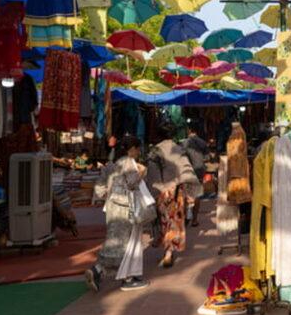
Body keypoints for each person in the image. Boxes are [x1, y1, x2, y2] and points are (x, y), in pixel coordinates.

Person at [85, 135, 149, 292]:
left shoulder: (111, 165)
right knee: (124, 243)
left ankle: (105, 271)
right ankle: (113, 273)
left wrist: (110, 194)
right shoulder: (128, 163)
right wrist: (142, 173)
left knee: (116, 240)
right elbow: (133, 183)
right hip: (126, 207)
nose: (139, 152)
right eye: (137, 148)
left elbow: (99, 190)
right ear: (132, 149)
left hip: (112, 207)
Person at [146, 125, 202, 268]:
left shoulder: (155, 151)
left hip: (162, 192)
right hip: (177, 192)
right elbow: (186, 169)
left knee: (164, 221)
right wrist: (190, 191)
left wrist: (153, 192)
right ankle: (169, 251)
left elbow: (152, 175)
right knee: (175, 222)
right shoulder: (178, 149)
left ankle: (167, 251)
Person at [182, 126, 208, 227]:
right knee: (197, 194)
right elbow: (207, 156)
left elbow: (181, 157)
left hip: (188, 170)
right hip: (200, 170)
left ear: (189, 130)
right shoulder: (202, 142)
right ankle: (194, 219)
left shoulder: (184, 143)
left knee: (186, 194)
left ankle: (186, 217)